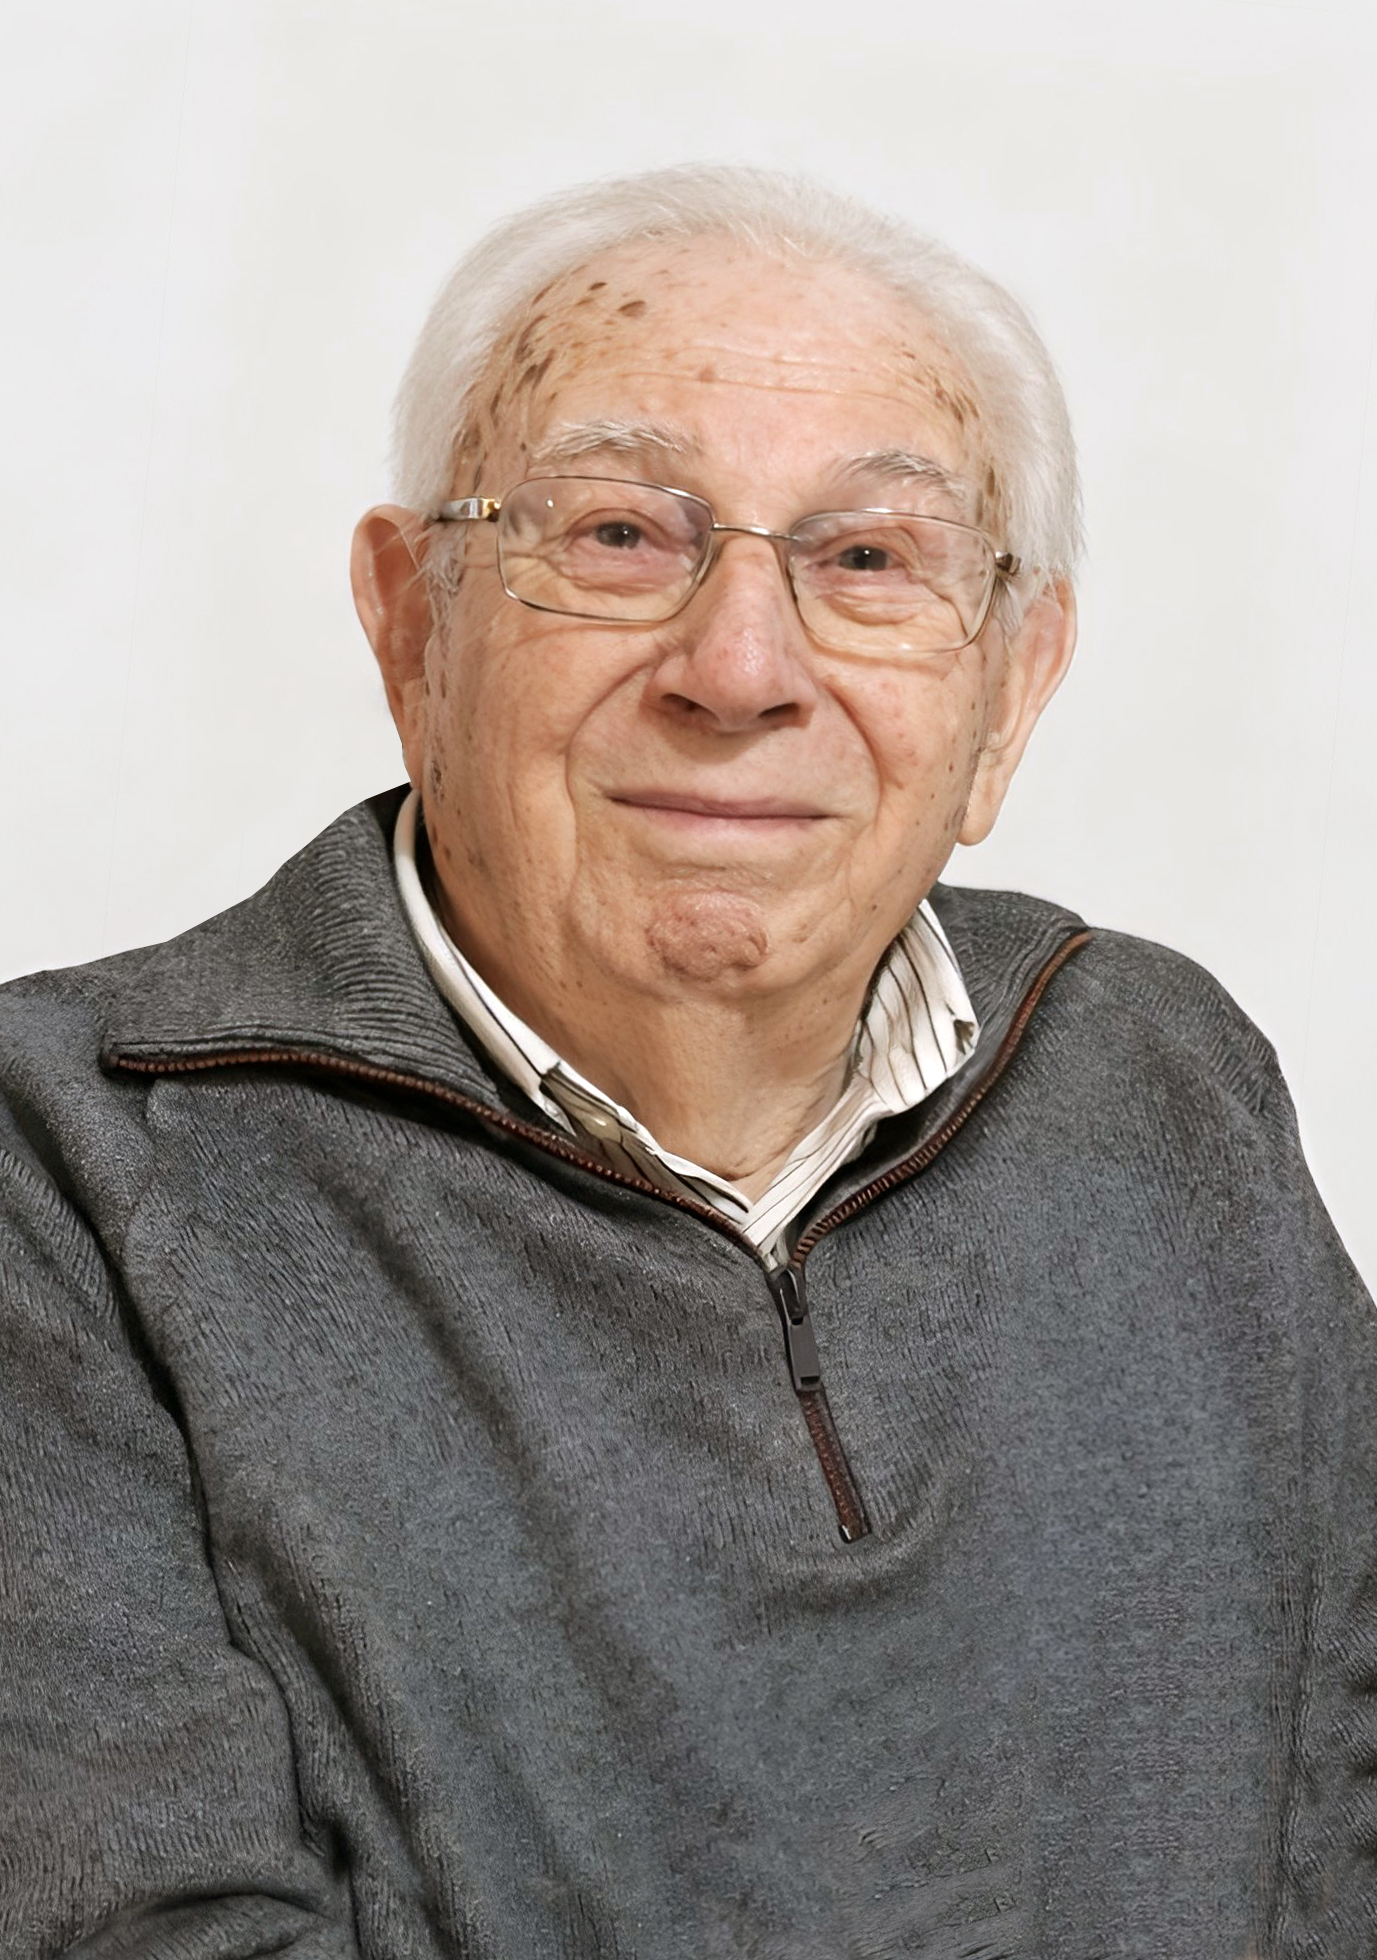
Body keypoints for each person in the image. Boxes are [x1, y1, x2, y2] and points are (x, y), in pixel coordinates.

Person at [1, 164, 1373, 1960]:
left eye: (867, 558)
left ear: (1011, 689)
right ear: (412, 625)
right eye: (617, 536)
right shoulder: (67, 1167)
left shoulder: (1156, 1077)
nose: (738, 669)